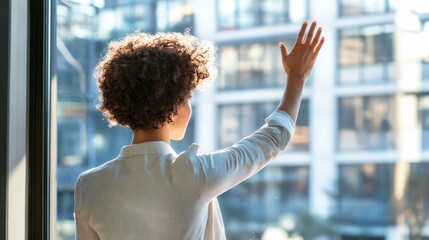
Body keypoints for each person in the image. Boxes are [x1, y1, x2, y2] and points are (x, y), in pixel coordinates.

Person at [74, 20, 325, 240]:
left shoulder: (89, 185)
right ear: (173, 104)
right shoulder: (194, 175)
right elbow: (274, 138)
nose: (190, 107)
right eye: (188, 97)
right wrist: (296, 79)